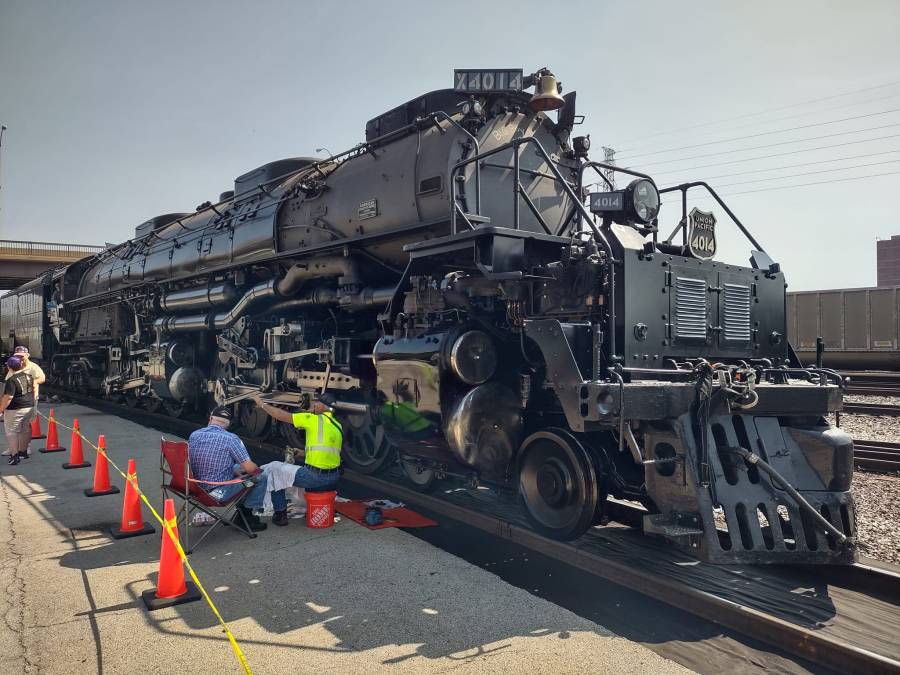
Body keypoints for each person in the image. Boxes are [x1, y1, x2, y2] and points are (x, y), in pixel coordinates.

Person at [252, 393, 342, 526]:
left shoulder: (312, 419)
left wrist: (261, 404)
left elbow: (281, 416)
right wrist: (301, 453)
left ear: (323, 406)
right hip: (334, 477)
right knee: (284, 471)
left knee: (274, 470)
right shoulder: (337, 425)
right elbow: (327, 452)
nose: (314, 405)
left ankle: (280, 514)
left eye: (316, 403)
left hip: (315, 477)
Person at [187, 406, 268, 532]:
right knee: (260, 477)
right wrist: (253, 468)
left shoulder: (194, 435)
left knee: (237, 468)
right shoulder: (231, 439)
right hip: (216, 493)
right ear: (228, 424)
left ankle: (241, 515)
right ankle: (246, 518)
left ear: (211, 418)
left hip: (192, 487)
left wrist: (235, 470)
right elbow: (251, 469)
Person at [2, 347, 44, 456]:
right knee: (16, 427)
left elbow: (42, 378)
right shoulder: (14, 368)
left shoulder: (33, 367)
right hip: (15, 402)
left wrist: (32, 381)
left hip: (29, 399)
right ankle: (14, 448)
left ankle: (25, 447)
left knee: (24, 425)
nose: (19, 358)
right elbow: (8, 383)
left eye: (21, 356)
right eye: (17, 356)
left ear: (27, 355)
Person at [0, 356, 36, 465]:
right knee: (24, 429)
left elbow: (8, 397)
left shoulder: (11, 380)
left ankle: (14, 456)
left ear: (9, 367)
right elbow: (33, 389)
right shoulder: (29, 376)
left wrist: (1, 410)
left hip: (15, 409)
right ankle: (23, 452)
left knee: (12, 431)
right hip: (28, 406)